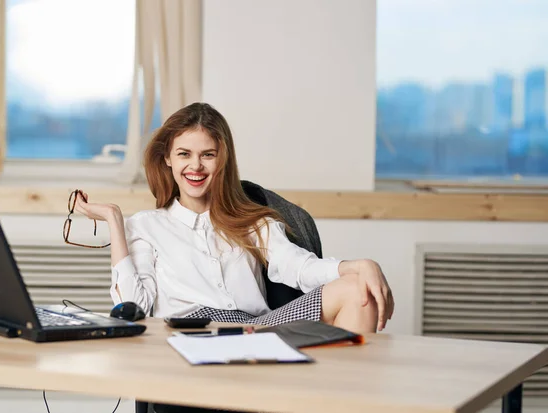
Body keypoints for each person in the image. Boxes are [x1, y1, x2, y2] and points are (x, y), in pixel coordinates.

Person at [73, 102, 394, 333]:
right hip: (192, 334)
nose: (195, 166)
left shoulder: (253, 220)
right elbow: (133, 305)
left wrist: (356, 266)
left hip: (260, 328)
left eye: (207, 155)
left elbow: (300, 267)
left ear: (222, 160)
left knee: (357, 288)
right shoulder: (145, 225)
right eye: (184, 154)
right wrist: (115, 221)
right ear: (167, 159)